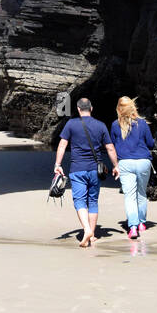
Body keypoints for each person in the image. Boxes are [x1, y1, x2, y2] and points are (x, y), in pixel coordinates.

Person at [53, 97, 120, 247]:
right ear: (91, 108)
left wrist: (58, 164)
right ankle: (92, 234)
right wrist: (116, 165)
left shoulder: (71, 124)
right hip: (95, 170)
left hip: (77, 169)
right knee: (93, 201)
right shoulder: (101, 126)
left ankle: (87, 229)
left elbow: (62, 145)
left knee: (79, 200)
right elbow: (110, 148)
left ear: (78, 109)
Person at [110, 96, 155, 239]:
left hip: (125, 163)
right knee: (141, 194)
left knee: (129, 196)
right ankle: (142, 223)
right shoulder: (142, 124)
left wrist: (115, 164)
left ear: (119, 109)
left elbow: (112, 145)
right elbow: (151, 143)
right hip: (143, 161)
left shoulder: (115, 125)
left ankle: (133, 227)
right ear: (133, 107)